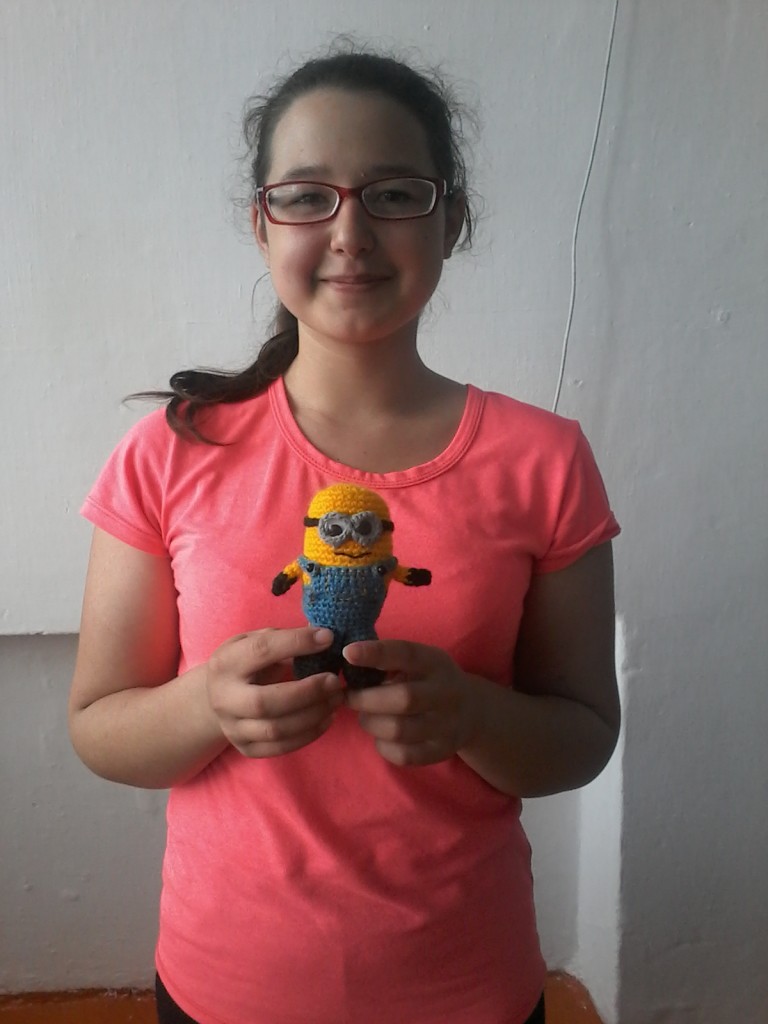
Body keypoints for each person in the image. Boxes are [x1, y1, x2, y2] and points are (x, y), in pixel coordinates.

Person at [68, 44, 621, 1024]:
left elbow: (581, 736)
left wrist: (473, 716)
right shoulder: (171, 453)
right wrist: (207, 705)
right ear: (261, 222)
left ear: (452, 219)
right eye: (306, 197)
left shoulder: (547, 460)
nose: (351, 232)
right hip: (226, 986)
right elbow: (100, 727)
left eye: (396, 195)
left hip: (469, 988)